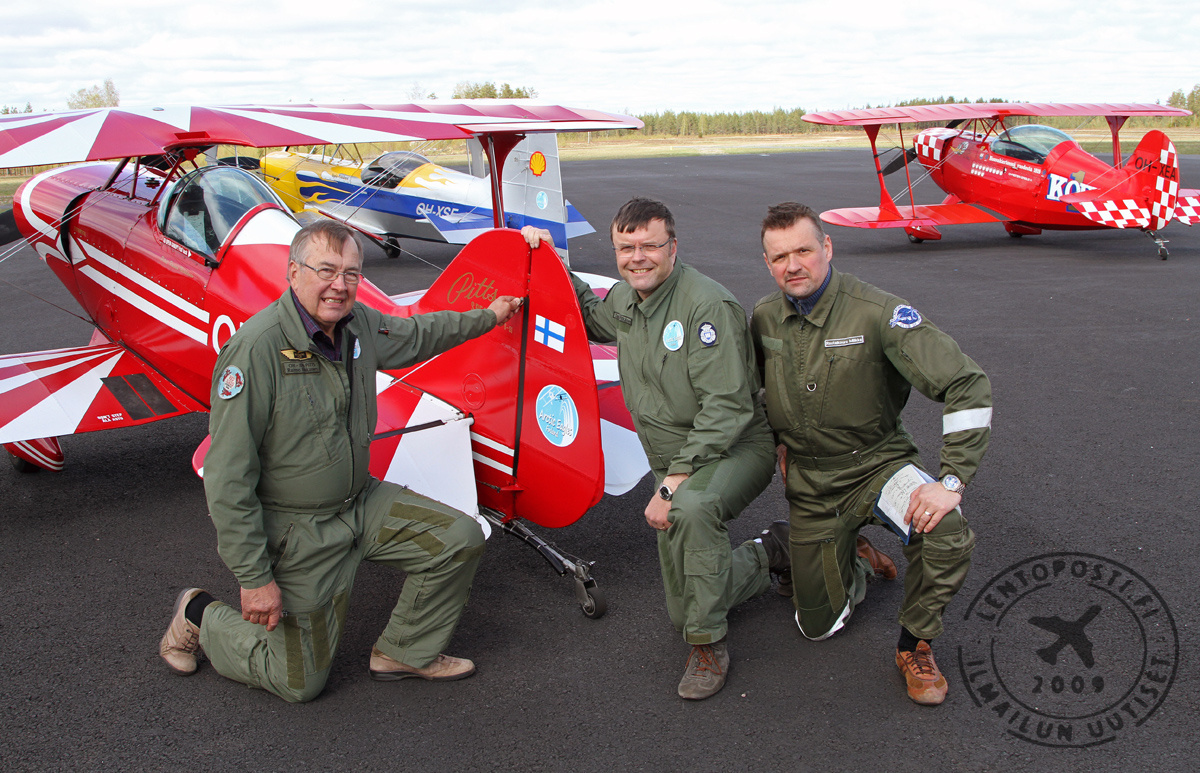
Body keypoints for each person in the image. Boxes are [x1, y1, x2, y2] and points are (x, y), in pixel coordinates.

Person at [159, 220, 523, 703]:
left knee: (459, 538)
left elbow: (419, 335)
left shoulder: (359, 326)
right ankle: (198, 614)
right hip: (299, 528)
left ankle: (404, 652)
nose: (340, 285)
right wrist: (254, 579)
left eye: (351, 273)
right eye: (326, 270)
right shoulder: (256, 350)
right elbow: (227, 480)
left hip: (359, 502)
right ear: (293, 273)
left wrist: (490, 315)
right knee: (298, 682)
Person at [522, 198, 790, 700]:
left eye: (650, 245)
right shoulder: (628, 298)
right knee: (681, 609)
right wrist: (554, 264)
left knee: (689, 511)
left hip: (734, 447)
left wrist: (672, 483)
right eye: (626, 247)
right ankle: (774, 551)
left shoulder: (706, 307)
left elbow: (728, 409)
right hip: (676, 457)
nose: (637, 257)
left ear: (673, 247)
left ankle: (710, 647)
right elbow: (589, 317)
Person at [750, 202, 991, 706]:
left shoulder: (878, 312)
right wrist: (779, 438)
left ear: (827, 247)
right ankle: (855, 557)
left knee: (945, 531)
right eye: (778, 257)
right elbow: (758, 390)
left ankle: (914, 645)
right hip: (813, 485)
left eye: (803, 250)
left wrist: (950, 483)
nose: (792, 265)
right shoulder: (764, 318)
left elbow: (967, 384)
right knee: (816, 626)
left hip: (877, 465)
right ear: (767, 262)